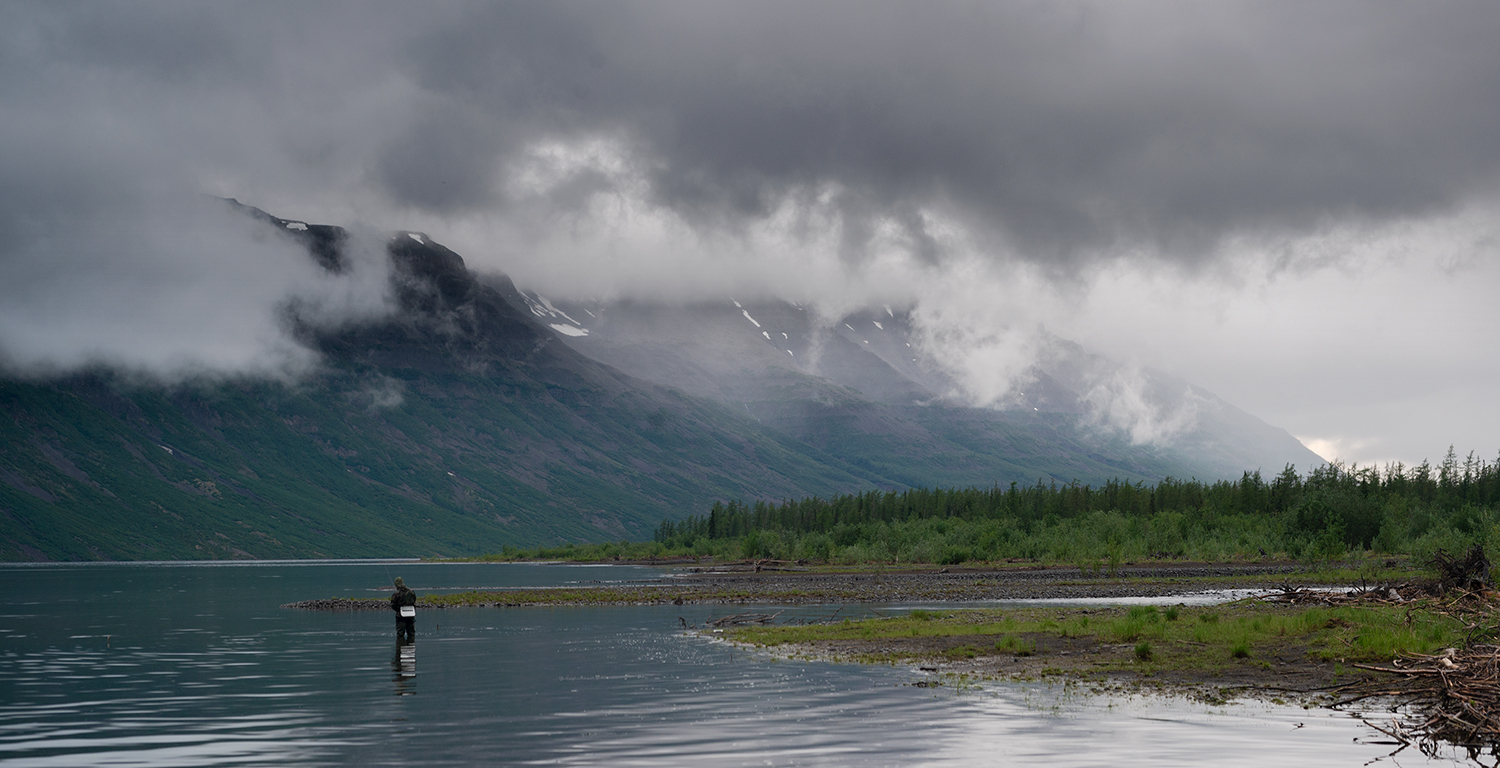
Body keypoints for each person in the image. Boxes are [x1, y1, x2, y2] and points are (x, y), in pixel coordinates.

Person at [390, 576, 417, 642]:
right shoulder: (411, 591)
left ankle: (400, 647)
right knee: (411, 634)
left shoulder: (396, 594)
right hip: (411, 615)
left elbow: (393, 605)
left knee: (400, 634)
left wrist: (398, 610)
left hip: (400, 617)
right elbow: (414, 601)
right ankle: (411, 648)